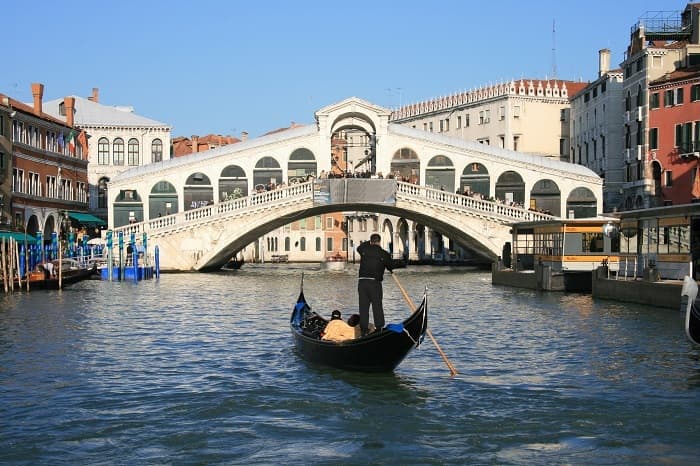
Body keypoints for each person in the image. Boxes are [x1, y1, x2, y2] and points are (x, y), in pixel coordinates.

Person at [357, 233, 394, 336]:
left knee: (363, 307)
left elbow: (359, 247)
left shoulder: (364, 250)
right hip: (374, 283)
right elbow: (391, 265)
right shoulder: (383, 253)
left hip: (362, 282)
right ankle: (379, 328)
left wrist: (368, 243)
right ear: (379, 241)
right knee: (377, 306)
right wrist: (391, 268)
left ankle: (364, 330)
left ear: (371, 241)